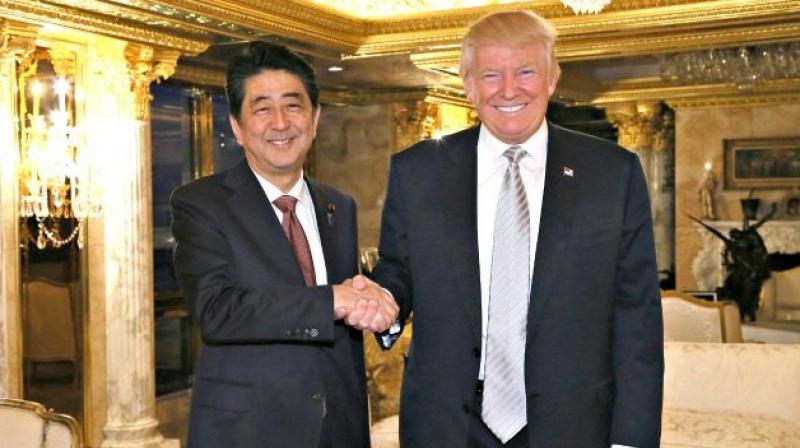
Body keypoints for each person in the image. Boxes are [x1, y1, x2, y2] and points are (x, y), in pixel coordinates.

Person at [366, 10, 664, 448]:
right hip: (446, 425)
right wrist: (386, 297)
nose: (509, 89)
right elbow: (399, 266)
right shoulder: (418, 171)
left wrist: (632, 439)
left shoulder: (612, 173)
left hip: (572, 424)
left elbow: (637, 315)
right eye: (490, 74)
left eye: (525, 71)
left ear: (551, 78)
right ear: (468, 85)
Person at [170, 41, 398, 448]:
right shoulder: (201, 203)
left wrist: (372, 303)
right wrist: (332, 300)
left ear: (315, 119)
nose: (280, 122)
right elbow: (218, 311)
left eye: (293, 106)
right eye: (261, 108)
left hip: (339, 427)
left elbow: (342, 318)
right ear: (238, 128)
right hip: (249, 431)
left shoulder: (338, 205)